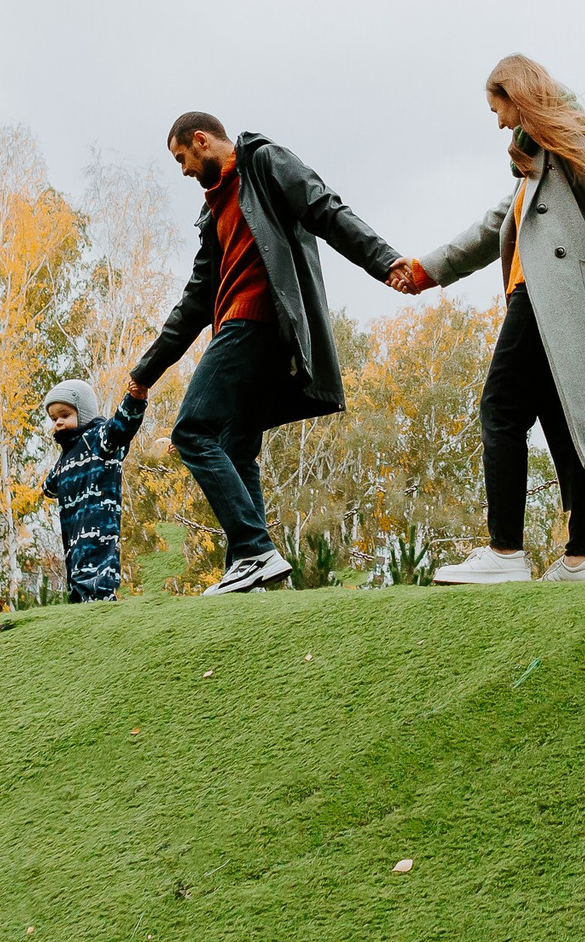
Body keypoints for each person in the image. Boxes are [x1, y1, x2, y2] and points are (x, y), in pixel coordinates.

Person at [394, 54, 585, 585]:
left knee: (503, 406)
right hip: (534, 299)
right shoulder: (533, 164)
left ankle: (506, 552)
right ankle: (581, 558)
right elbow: (495, 227)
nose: (498, 122)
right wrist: (428, 270)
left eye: (499, 107)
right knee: (570, 419)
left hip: (556, 298)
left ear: (520, 94)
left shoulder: (572, 142)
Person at [127, 113, 408, 595]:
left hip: (254, 322)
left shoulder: (264, 162)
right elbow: (195, 300)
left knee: (193, 430)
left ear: (202, 141)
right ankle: (252, 577)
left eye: (182, 159)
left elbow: (326, 211)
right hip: (240, 326)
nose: (184, 171)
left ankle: (255, 551)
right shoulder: (213, 214)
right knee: (236, 448)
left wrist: (383, 261)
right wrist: (145, 372)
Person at [42, 378, 146, 603]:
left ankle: (104, 611)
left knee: (96, 578)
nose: (58, 422)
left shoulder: (99, 440)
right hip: (72, 536)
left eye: (65, 415)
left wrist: (135, 399)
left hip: (99, 528)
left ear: (84, 413)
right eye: (54, 418)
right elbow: (49, 487)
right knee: (76, 581)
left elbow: (122, 425)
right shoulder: (65, 457)